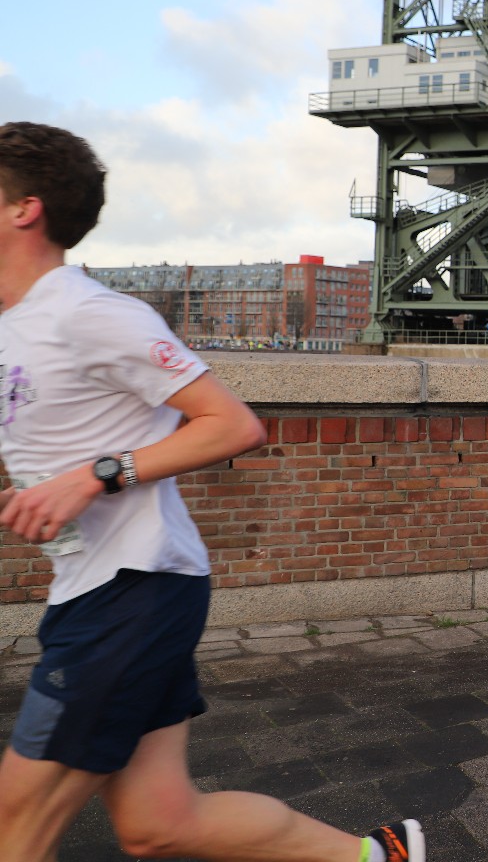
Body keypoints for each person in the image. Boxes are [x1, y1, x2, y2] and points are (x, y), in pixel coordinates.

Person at [0, 124, 424, 862]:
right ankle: (377, 858)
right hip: (99, 590)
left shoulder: (88, 313)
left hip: (132, 591)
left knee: (14, 818)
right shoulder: (18, 324)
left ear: (22, 209)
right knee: (159, 824)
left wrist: (95, 475)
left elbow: (231, 424)